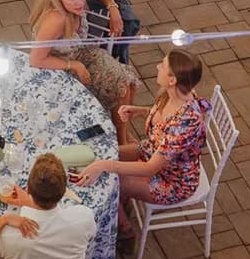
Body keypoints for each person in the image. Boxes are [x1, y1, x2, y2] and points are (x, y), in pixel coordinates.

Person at [74, 50, 210, 237]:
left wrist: (104, 166)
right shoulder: (178, 93)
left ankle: (124, 231)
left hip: (172, 181)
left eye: (162, 66)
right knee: (106, 153)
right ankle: (121, 204)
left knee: (109, 180)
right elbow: (164, 118)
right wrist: (139, 111)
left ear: (173, 80)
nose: (157, 67)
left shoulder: (184, 124)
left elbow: (149, 169)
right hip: (153, 150)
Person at [28, 0, 137, 118]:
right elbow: (36, 60)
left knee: (127, 84)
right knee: (121, 87)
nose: (80, 2)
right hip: (57, 68)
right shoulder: (56, 20)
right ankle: (121, 136)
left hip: (81, 53)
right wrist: (73, 65)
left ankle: (122, 136)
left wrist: (113, 8)